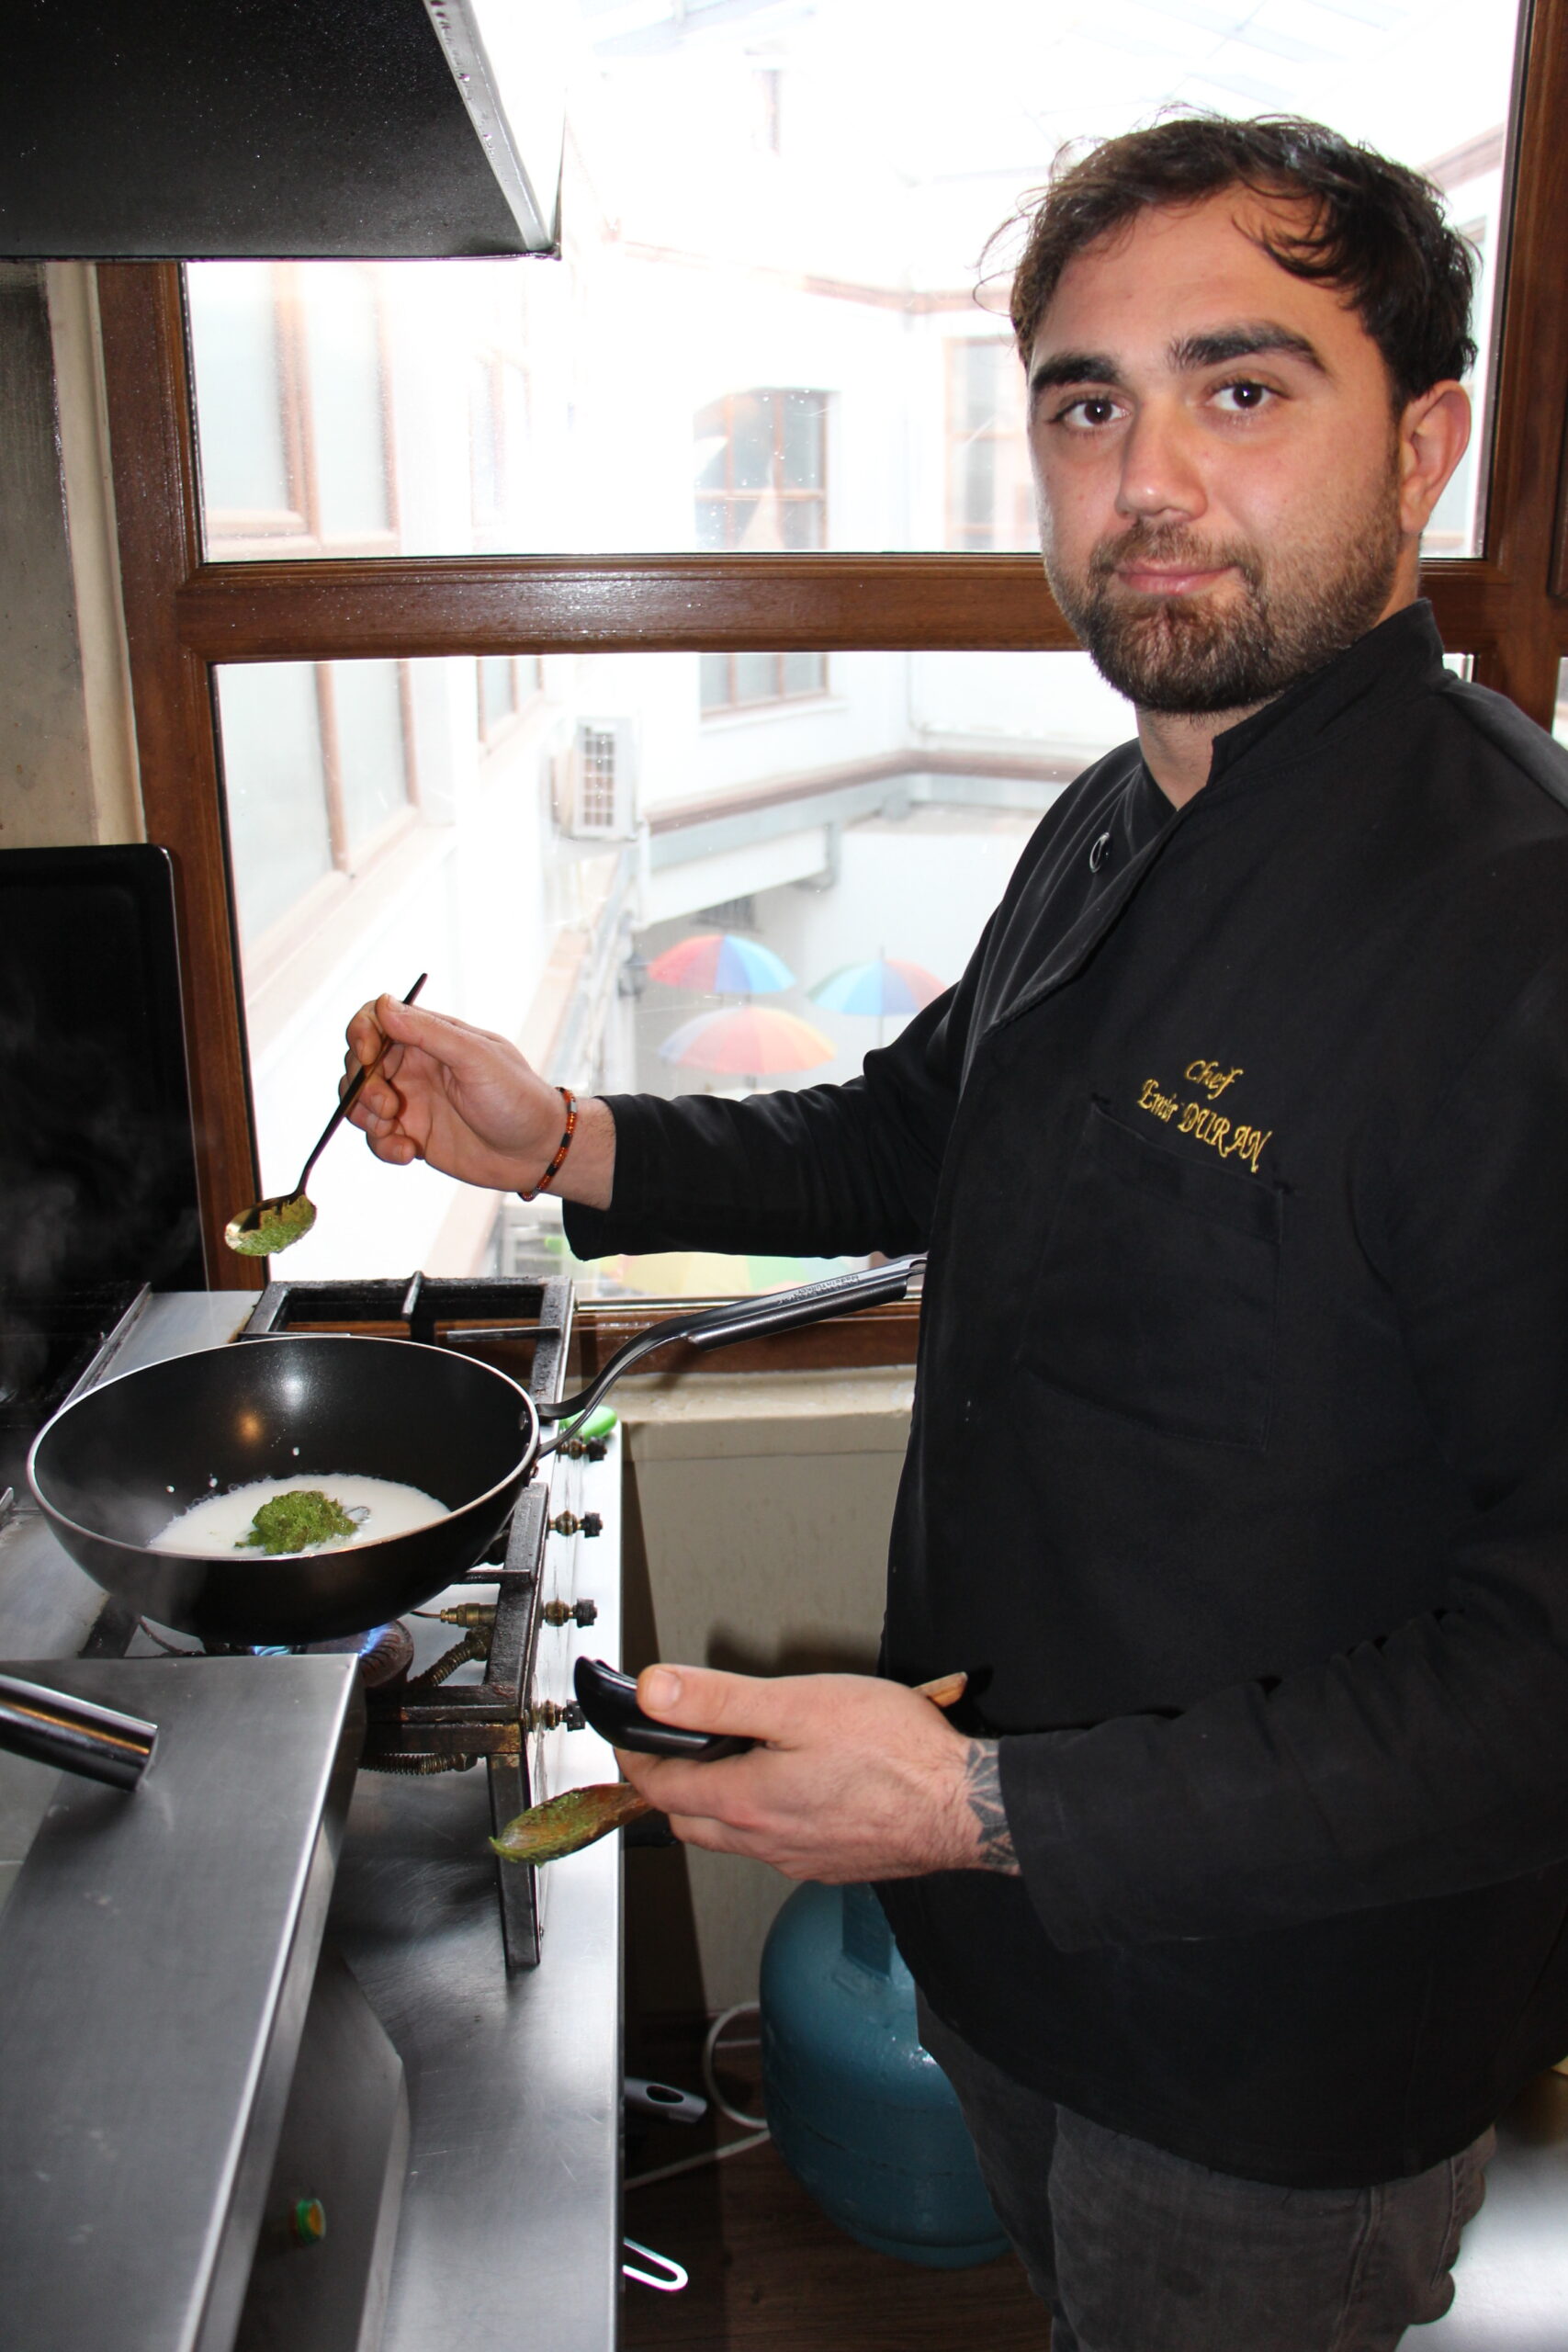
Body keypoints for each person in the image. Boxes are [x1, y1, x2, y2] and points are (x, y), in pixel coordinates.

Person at [345, 116, 1568, 2350]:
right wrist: (567, 1137)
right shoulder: (1112, 810)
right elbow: (918, 1130)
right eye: (1083, 406)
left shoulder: (1515, 936)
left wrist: (985, 1804)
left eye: (1238, 386)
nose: (1143, 479)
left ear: (1422, 443)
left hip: (1269, 2058)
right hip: (997, 1940)